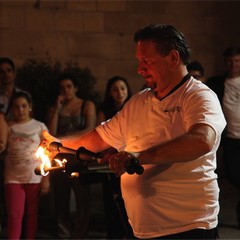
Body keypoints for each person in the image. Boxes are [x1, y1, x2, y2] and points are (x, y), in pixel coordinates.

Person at [43, 24, 226, 239]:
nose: (140, 69)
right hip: (143, 230)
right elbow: (98, 138)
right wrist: (54, 143)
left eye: (146, 61)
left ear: (173, 58)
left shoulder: (198, 97)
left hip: (188, 228)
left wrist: (138, 157)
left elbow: (201, 140)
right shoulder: (139, 102)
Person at [46, 73, 96, 239]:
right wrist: (57, 109)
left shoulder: (86, 105)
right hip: (59, 157)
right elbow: (51, 133)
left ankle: (80, 233)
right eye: (62, 87)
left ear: (75, 88)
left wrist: (65, 140)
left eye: (69, 86)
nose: (65, 90)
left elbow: (90, 129)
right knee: (61, 196)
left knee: (82, 196)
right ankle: (63, 232)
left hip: (80, 157)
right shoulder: (55, 108)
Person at [0, 91, 50, 239]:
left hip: (34, 177)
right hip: (13, 177)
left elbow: (48, 153)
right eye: (16, 107)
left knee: (32, 214)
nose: (20, 110)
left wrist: (46, 179)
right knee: (15, 214)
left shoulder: (40, 126)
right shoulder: (8, 126)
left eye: (23, 106)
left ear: (30, 107)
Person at [206, 47, 240, 226]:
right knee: (234, 175)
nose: (233, 65)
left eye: (236, 61)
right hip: (231, 140)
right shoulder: (217, 83)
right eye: (229, 61)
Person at [97, 76, 134, 239]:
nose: (119, 93)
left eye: (122, 88)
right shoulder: (105, 110)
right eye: (115, 89)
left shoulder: (134, 108)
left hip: (130, 156)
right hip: (110, 158)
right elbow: (100, 137)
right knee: (112, 200)